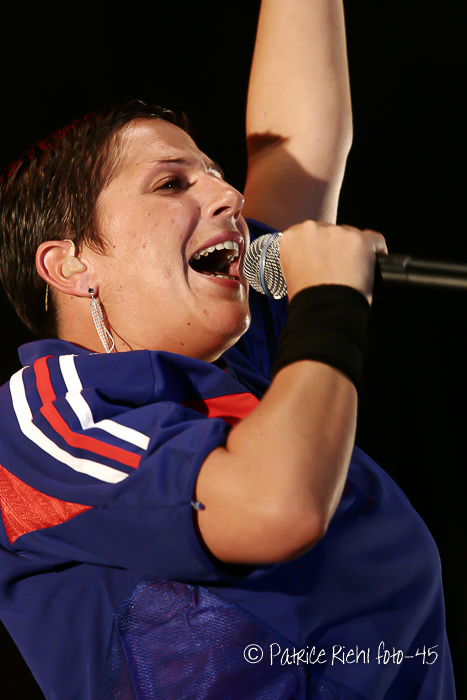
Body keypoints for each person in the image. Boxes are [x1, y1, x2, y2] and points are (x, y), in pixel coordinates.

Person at [0, 1, 455, 698]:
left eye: (216, 174)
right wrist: (330, 307)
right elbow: (276, 507)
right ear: (69, 264)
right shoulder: (46, 417)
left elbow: (291, 147)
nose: (232, 195)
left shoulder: (250, 375)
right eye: (171, 183)